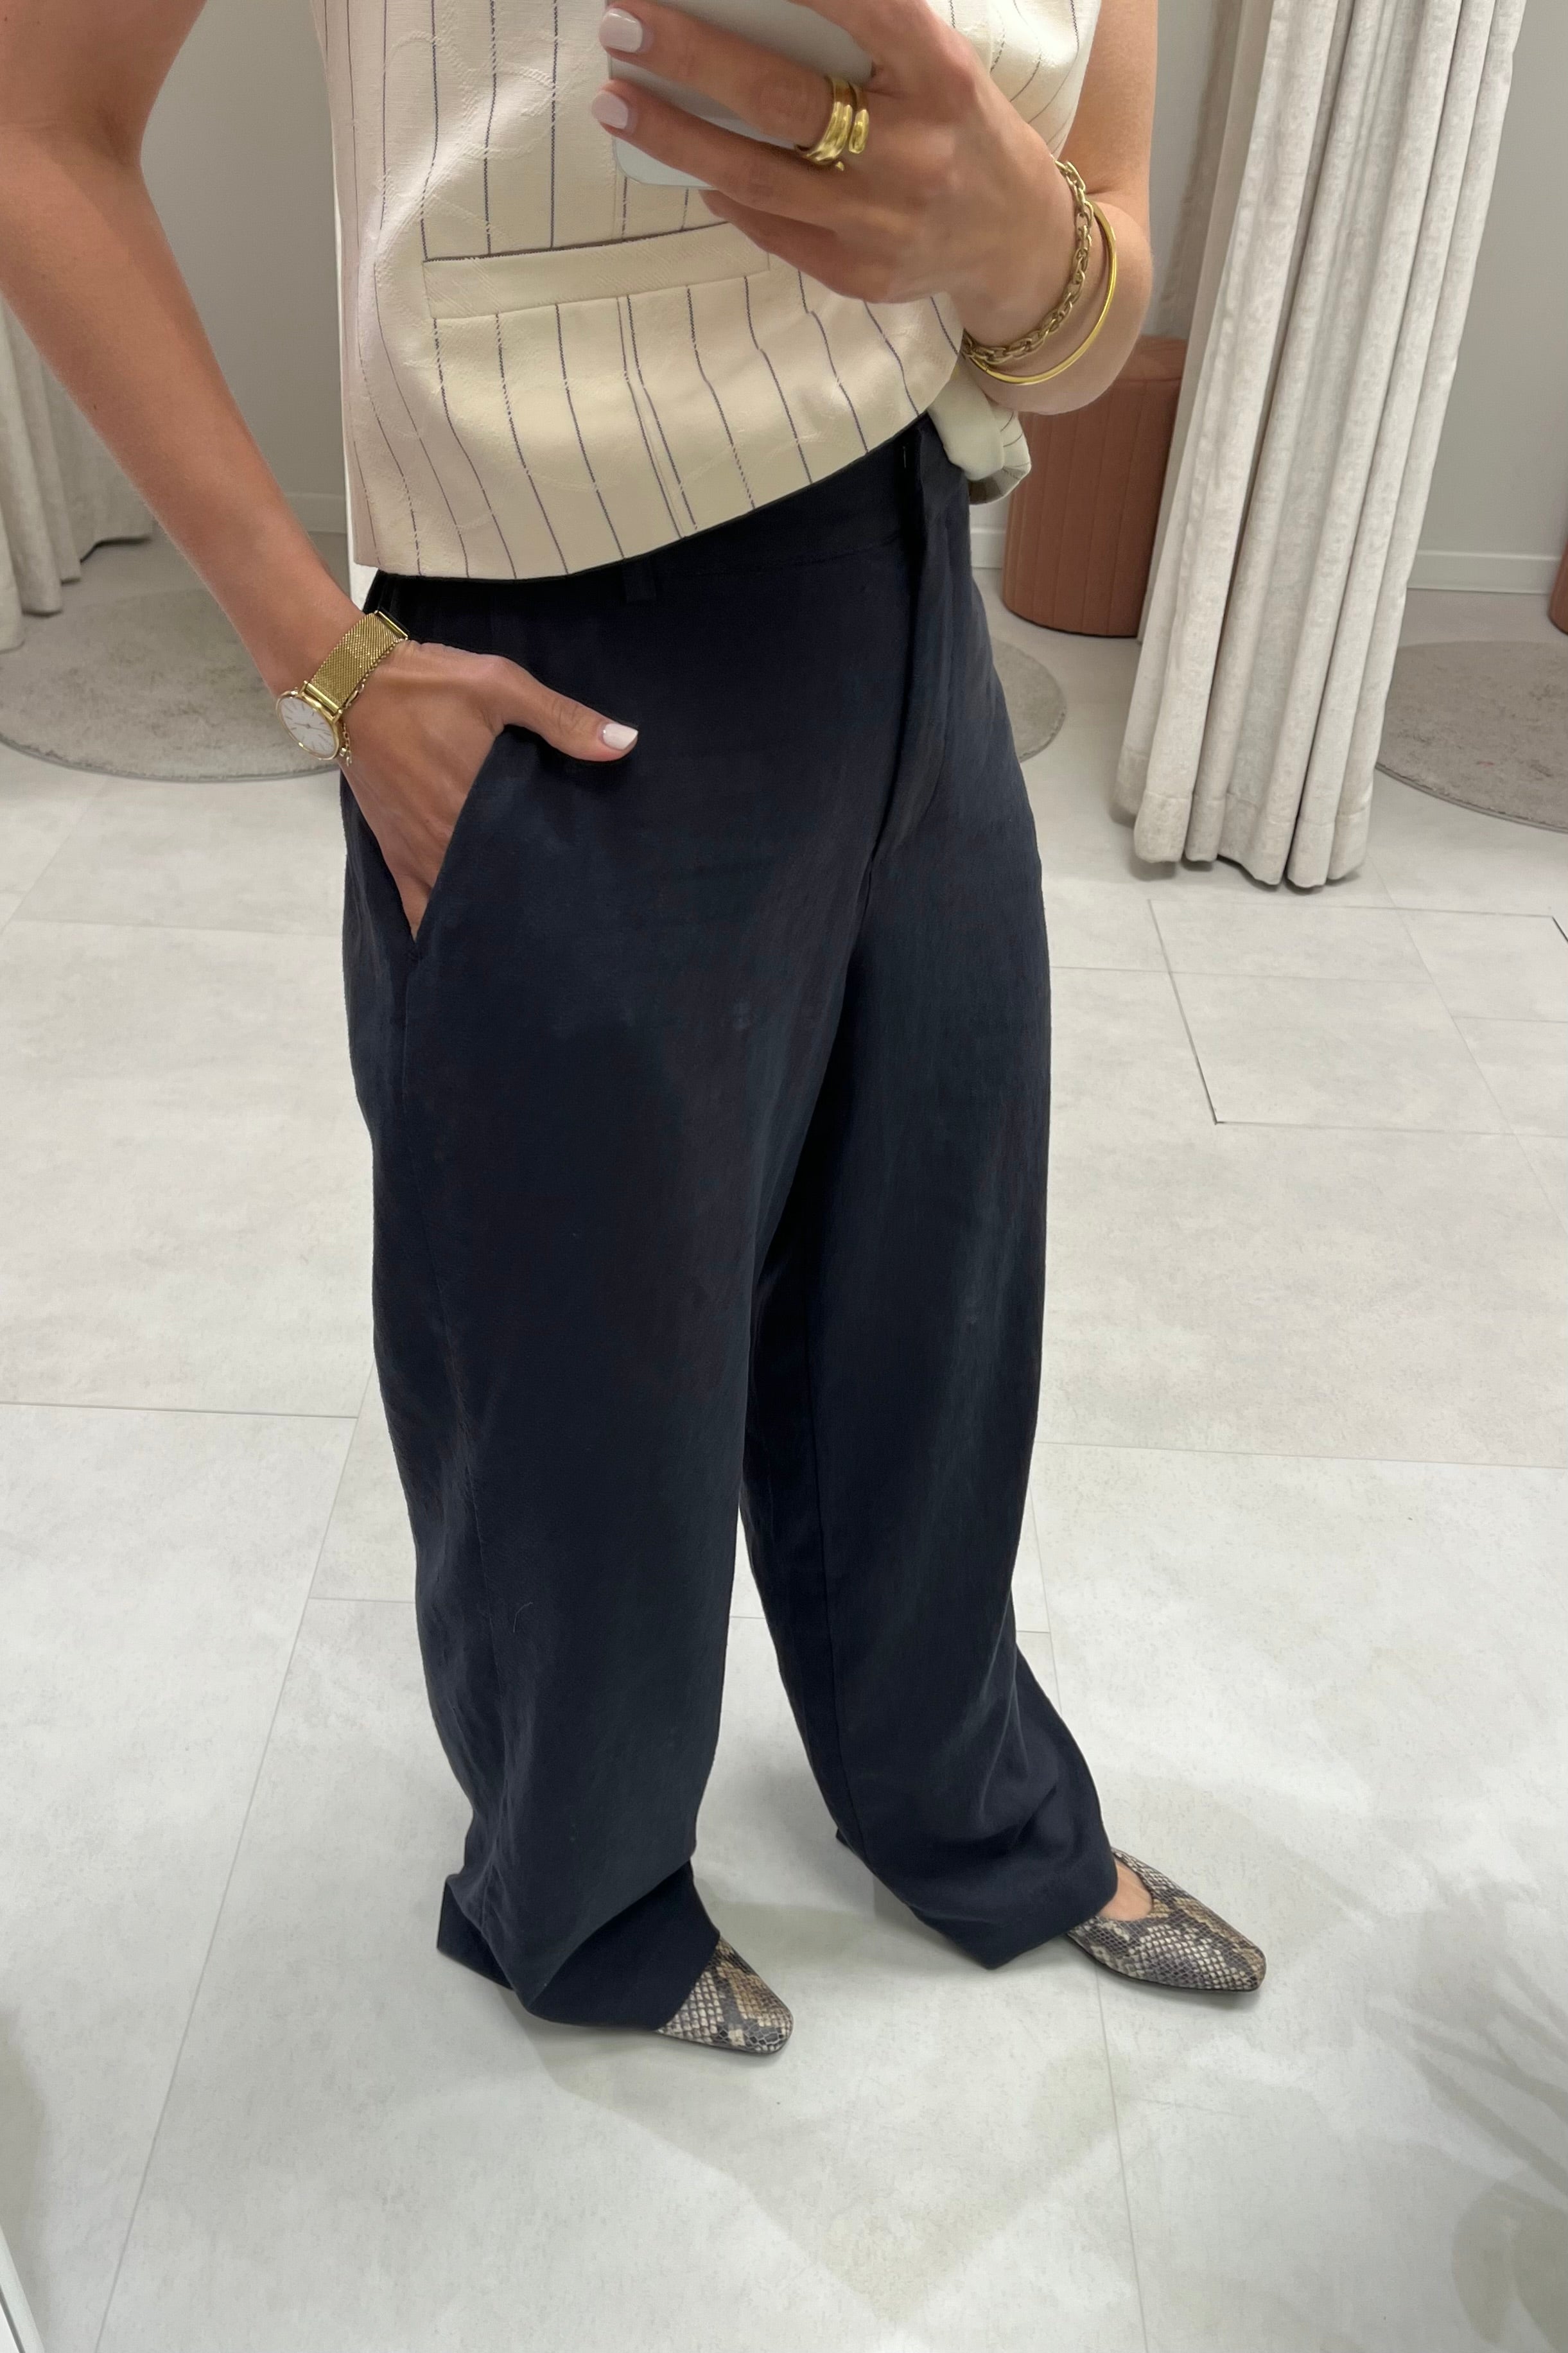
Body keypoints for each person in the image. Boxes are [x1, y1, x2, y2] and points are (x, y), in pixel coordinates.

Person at [0, 0, 1264, 2059]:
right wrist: (326, 669)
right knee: (573, 1391)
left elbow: (1081, 311)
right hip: (557, 639)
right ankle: (575, 1899)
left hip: (912, 583)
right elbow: (31, 117)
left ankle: (967, 1811)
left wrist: (1016, 243)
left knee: (929, 1305)